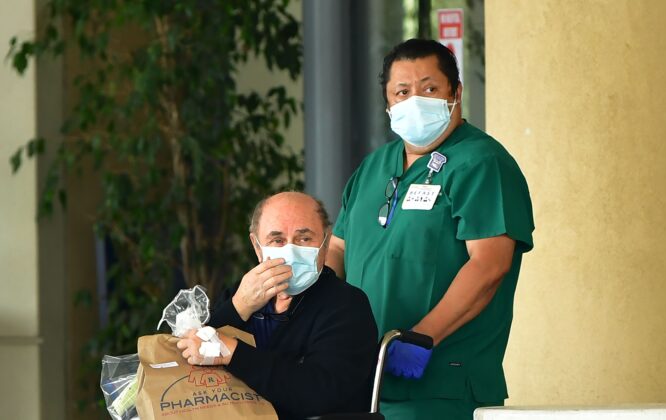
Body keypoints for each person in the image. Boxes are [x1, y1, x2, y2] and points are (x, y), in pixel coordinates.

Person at [326, 39, 535, 419]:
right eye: (402, 92)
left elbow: (489, 265)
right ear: (388, 103)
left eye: (429, 88)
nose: (415, 101)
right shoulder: (374, 167)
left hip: (441, 386)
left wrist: (422, 337)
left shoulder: (482, 163)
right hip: (363, 383)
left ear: (456, 92)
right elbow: (338, 249)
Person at [176, 192, 379, 420]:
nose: (290, 250)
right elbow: (191, 354)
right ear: (257, 246)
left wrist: (233, 353)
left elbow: (317, 393)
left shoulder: (346, 306)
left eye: (304, 239)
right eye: (277, 240)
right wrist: (238, 307)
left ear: (325, 242)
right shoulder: (242, 293)